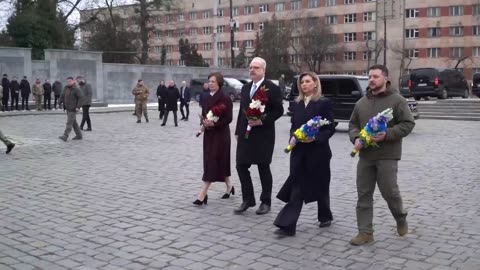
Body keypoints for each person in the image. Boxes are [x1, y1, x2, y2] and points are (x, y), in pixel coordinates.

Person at [348, 64, 415, 246]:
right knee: (363, 194)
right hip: (366, 156)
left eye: (375, 76)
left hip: (388, 154)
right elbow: (353, 124)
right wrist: (355, 138)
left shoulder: (397, 101)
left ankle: (400, 217)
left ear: (386, 79)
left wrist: (388, 134)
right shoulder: (361, 103)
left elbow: (408, 124)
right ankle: (365, 232)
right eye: (369, 76)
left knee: (390, 192)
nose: (371, 80)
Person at [273, 72, 335, 236]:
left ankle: (325, 215)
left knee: (321, 185)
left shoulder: (323, 103)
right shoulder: (297, 103)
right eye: (302, 82)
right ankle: (287, 224)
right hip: (299, 151)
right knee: (297, 186)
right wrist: (293, 138)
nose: (304, 85)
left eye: (307, 81)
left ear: (315, 83)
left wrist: (315, 137)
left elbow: (330, 128)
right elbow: (294, 126)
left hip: (318, 152)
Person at [234, 57, 284, 215]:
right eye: (250, 67)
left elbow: (278, 111)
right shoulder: (245, 88)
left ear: (263, 70)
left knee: (263, 167)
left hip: (263, 134)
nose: (252, 70)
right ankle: (248, 199)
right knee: (241, 165)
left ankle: (265, 201)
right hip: (245, 134)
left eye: (256, 67)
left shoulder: (272, 88)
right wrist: (237, 131)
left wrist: (262, 121)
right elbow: (242, 112)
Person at [193, 72, 234, 205]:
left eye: (213, 81)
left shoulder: (225, 98)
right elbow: (205, 115)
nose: (210, 84)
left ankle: (202, 194)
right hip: (209, 135)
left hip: (221, 135)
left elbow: (228, 118)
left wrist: (215, 124)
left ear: (219, 83)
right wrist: (203, 125)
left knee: (213, 161)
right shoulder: (206, 97)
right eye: (209, 81)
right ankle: (229, 186)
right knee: (216, 161)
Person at [58, 77, 83, 142]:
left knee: (69, 122)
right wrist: (59, 103)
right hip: (68, 108)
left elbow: (81, 98)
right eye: (67, 81)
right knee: (74, 123)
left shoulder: (76, 89)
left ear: (73, 81)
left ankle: (65, 136)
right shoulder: (66, 88)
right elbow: (62, 95)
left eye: (70, 81)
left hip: (73, 108)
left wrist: (78, 107)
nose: (68, 82)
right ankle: (79, 135)